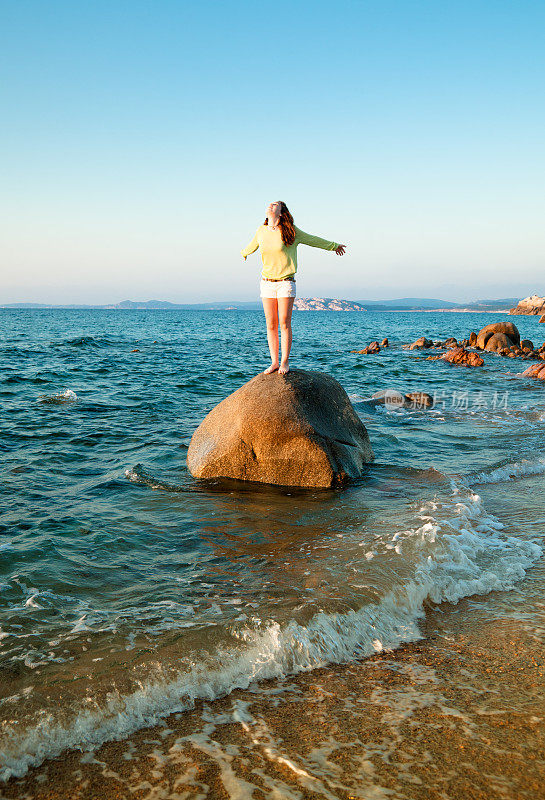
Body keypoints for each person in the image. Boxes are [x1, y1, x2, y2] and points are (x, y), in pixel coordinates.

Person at [241, 201, 346, 375]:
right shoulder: (261, 231)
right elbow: (252, 246)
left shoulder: (291, 231)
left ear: (281, 213)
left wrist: (334, 246)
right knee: (271, 324)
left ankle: (284, 362)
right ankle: (274, 362)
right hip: (266, 283)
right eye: (269, 205)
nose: (270, 206)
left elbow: (313, 240)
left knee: (284, 322)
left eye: (275, 205)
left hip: (285, 283)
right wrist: (243, 253)